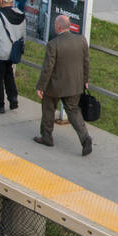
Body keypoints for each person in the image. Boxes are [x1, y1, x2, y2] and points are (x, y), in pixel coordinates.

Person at [34, 13, 92, 156]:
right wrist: (85, 80)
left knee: (48, 108)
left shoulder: (53, 45)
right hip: (75, 84)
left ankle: (47, 137)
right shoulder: (81, 41)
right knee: (73, 111)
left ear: (58, 27)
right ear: (69, 25)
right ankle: (85, 138)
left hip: (55, 86)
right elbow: (86, 62)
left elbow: (48, 68)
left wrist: (41, 87)